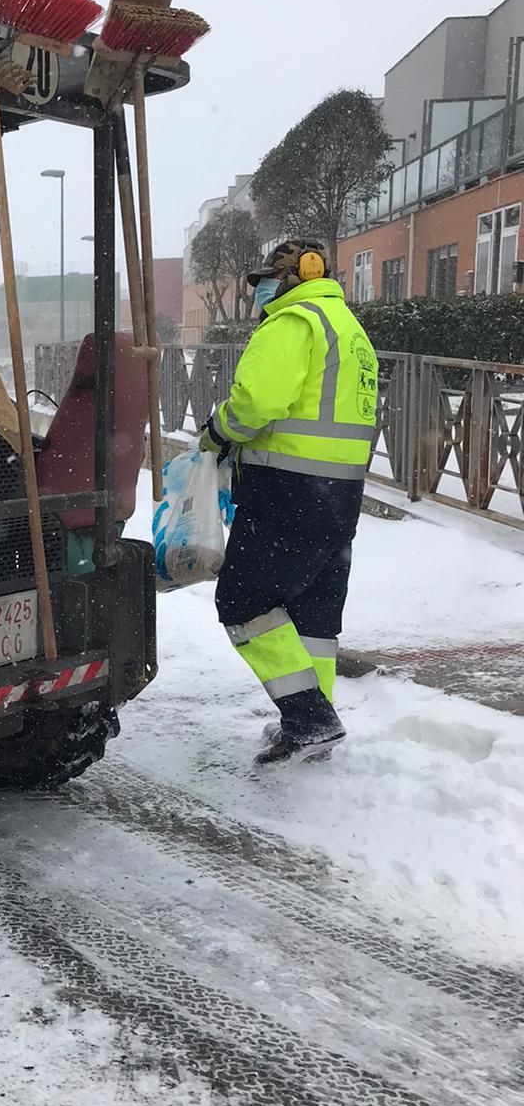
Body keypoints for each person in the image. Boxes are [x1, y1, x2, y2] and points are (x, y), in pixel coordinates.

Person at [198, 239, 379, 765]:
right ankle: (313, 728)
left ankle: (309, 718)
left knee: (242, 601)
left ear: (295, 276)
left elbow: (255, 404)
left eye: (265, 282)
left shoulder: (293, 324)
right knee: (313, 616)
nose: (260, 292)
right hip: (340, 494)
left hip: (287, 492)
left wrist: (217, 432)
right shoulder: (348, 329)